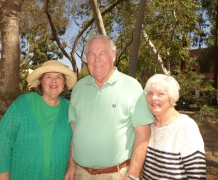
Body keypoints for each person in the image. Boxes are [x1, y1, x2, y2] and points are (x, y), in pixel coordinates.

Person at [66, 34, 154, 180]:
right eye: (91, 54)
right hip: (81, 174)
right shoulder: (78, 88)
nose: (96, 60)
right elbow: (74, 132)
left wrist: (132, 175)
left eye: (102, 54)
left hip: (117, 175)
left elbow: (143, 134)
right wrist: (71, 165)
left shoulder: (132, 86)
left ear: (113, 56)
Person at [0, 60, 77, 180]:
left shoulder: (68, 108)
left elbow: (74, 141)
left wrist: (71, 166)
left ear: (64, 82)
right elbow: (4, 141)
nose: (53, 81)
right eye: (48, 76)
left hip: (58, 175)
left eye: (59, 77)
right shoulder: (23, 104)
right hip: (23, 175)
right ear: (40, 81)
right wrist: (3, 175)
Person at [142, 74, 206, 179]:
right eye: (150, 93)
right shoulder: (149, 125)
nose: (153, 98)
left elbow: (197, 176)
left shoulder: (186, 127)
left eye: (160, 94)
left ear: (172, 98)